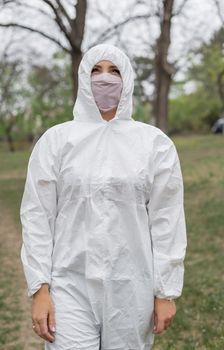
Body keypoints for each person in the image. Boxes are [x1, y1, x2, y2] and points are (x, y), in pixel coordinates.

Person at [20, 43, 187, 350]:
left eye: (115, 71)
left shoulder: (154, 144)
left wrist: (165, 291)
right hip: (69, 284)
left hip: (131, 287)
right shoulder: (56, 141)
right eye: (96, 70)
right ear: (83, 78)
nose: (105, 79)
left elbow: (167, 221)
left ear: (128, 80)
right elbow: (37, 216)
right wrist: (40, 288)